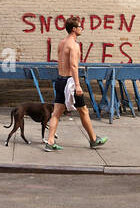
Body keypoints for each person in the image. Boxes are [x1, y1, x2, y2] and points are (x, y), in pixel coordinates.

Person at [44, 16, 106, 151]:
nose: (82, 28)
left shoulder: (62, 43)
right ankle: (94, 140)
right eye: (80, 27)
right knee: (83, 110)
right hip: (69, 83)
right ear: (74, 29)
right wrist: (77, 85)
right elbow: (73, 65)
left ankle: (49, 142)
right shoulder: (74, 45)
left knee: (56, 113)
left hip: (60, 80)